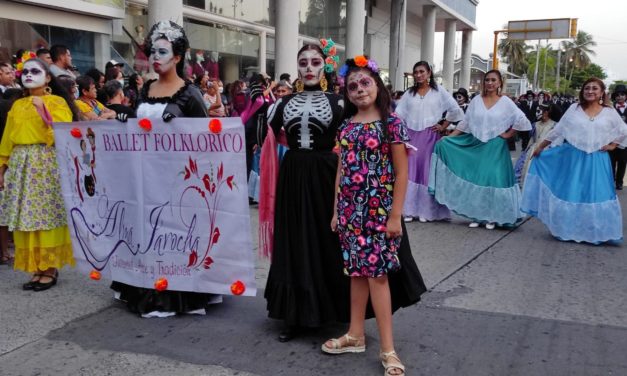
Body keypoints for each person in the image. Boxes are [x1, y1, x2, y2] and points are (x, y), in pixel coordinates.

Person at [261, 46, 424, 343]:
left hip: (330, 177)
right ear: (296, 67)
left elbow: (366, 145)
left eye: (315, 62)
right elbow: (267, 138)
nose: (309, 68)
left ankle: (338, 313)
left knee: (330, 246)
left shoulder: (340, 104)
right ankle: (296, 313)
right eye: (303, 63)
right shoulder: (282, 105)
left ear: (325, 66)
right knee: (296, 242)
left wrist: (390, 210)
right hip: (294, 178)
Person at [321, 55, 426, 376]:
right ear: (346, 93)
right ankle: (355, 334)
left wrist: (395, 216)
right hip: (351, 214)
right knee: (355, 273)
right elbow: (341, 169)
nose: (359, 89)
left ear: (377, 85)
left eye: (365, 82)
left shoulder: (391, 123)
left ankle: (388, 349)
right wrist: (337, 210)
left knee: (377, 277)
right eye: (352, 86)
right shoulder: (347, 126)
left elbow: (402, 173)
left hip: (379, 214)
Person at [110, 20, 214, 317]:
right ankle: (143, 284)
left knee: (173, 236)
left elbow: (209, 139)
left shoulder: (190, 94)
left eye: (162, 51)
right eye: (152, 51)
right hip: (145, 177)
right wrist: (125, 118)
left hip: (176, 181)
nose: (155, 57)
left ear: (178, 57)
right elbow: (140, 126)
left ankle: (175, 293)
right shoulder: (147, 90)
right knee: (147, 231)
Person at [0, 57, 79, 290]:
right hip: (21, 164)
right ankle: (37, 268)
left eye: (35, 71)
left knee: (46, 216)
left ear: (47, 78)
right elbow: (7, 138)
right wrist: (2, 167)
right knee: (26, 217)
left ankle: (50, 268)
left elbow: (62, 133)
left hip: (46, 163)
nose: (28, 75)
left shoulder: (56, 102)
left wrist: (44, 111)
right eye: (24, 71)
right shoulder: (17, 104)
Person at [521, 78, 627, 244]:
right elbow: (558, 130)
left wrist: (613, 145)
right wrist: (541, 146)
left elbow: (623, 130)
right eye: (587, 88)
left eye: (594, 88)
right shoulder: (574, 108)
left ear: (601, 92)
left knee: (596, 193)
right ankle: (568, 229)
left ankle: (596, 232)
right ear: (582, 91)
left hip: (597, 159)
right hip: (574, 157)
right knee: (573, 191)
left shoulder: (609, 112)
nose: (590, 91)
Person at [429, 69, 531, 229]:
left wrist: (508, 134)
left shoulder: (506, 102)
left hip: (495, 148)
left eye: (493, 80)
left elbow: (522, 120)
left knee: (492, 180)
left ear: (499, 83)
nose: (490, 83)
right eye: (487, 80)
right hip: (476, 144)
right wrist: (451, 136)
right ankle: (478, 215)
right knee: (477, 179)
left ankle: (492, 216)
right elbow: (466, 123)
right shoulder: (477, 100)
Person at [395, 61, 463, 223]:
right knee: (410, 171)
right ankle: (409, 210)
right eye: (416, 72)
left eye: (422, 71)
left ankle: (427, 211)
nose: (418, 75)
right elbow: (398, 115)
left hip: (430, 136)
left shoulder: (438, 91)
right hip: (411, 136)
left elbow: (455, 110)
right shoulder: (409, 93)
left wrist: (443, 125)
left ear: (429, 72)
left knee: (426, 172)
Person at [515, 103, 560, 185]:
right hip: (533, 150)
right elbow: (532, 139)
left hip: (547, 152)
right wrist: (527, 150)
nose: (537, 113)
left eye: (539, 111)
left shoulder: (554, 125)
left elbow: (557, 141)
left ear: (546, 112)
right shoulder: (535, 125)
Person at [610, 84, 627, 190]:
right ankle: (611, 180)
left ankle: (619, 182)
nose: (620, 97)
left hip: (625, 140)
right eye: (617, 95)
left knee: (623, 161)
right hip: (612, 139)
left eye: (622, 94)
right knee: (611, 161)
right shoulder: (610, 109)